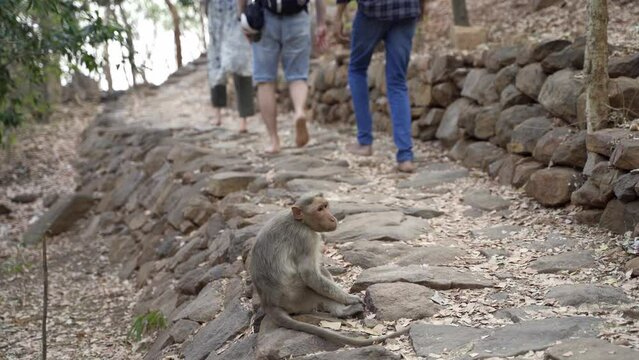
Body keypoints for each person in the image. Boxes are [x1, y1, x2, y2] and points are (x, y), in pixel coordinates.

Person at [334, 0, 425, 173]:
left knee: (357, 69)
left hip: (372, 10)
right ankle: (405, 156)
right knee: (397, 81)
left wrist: (338, 15)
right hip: (406, 8)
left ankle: (364, 141)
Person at [238, 0, 328, 154]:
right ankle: (299, 110)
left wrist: (242, 17)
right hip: (297, 15)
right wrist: (321, 23)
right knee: (298, 75)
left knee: (265, 80)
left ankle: (274, 140)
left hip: (265, 17)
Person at [205, 0, 255, 132]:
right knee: (216, 62)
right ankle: (217, 113)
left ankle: (243, 119)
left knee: (241, 62)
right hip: (216, 15)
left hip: (237, 13)